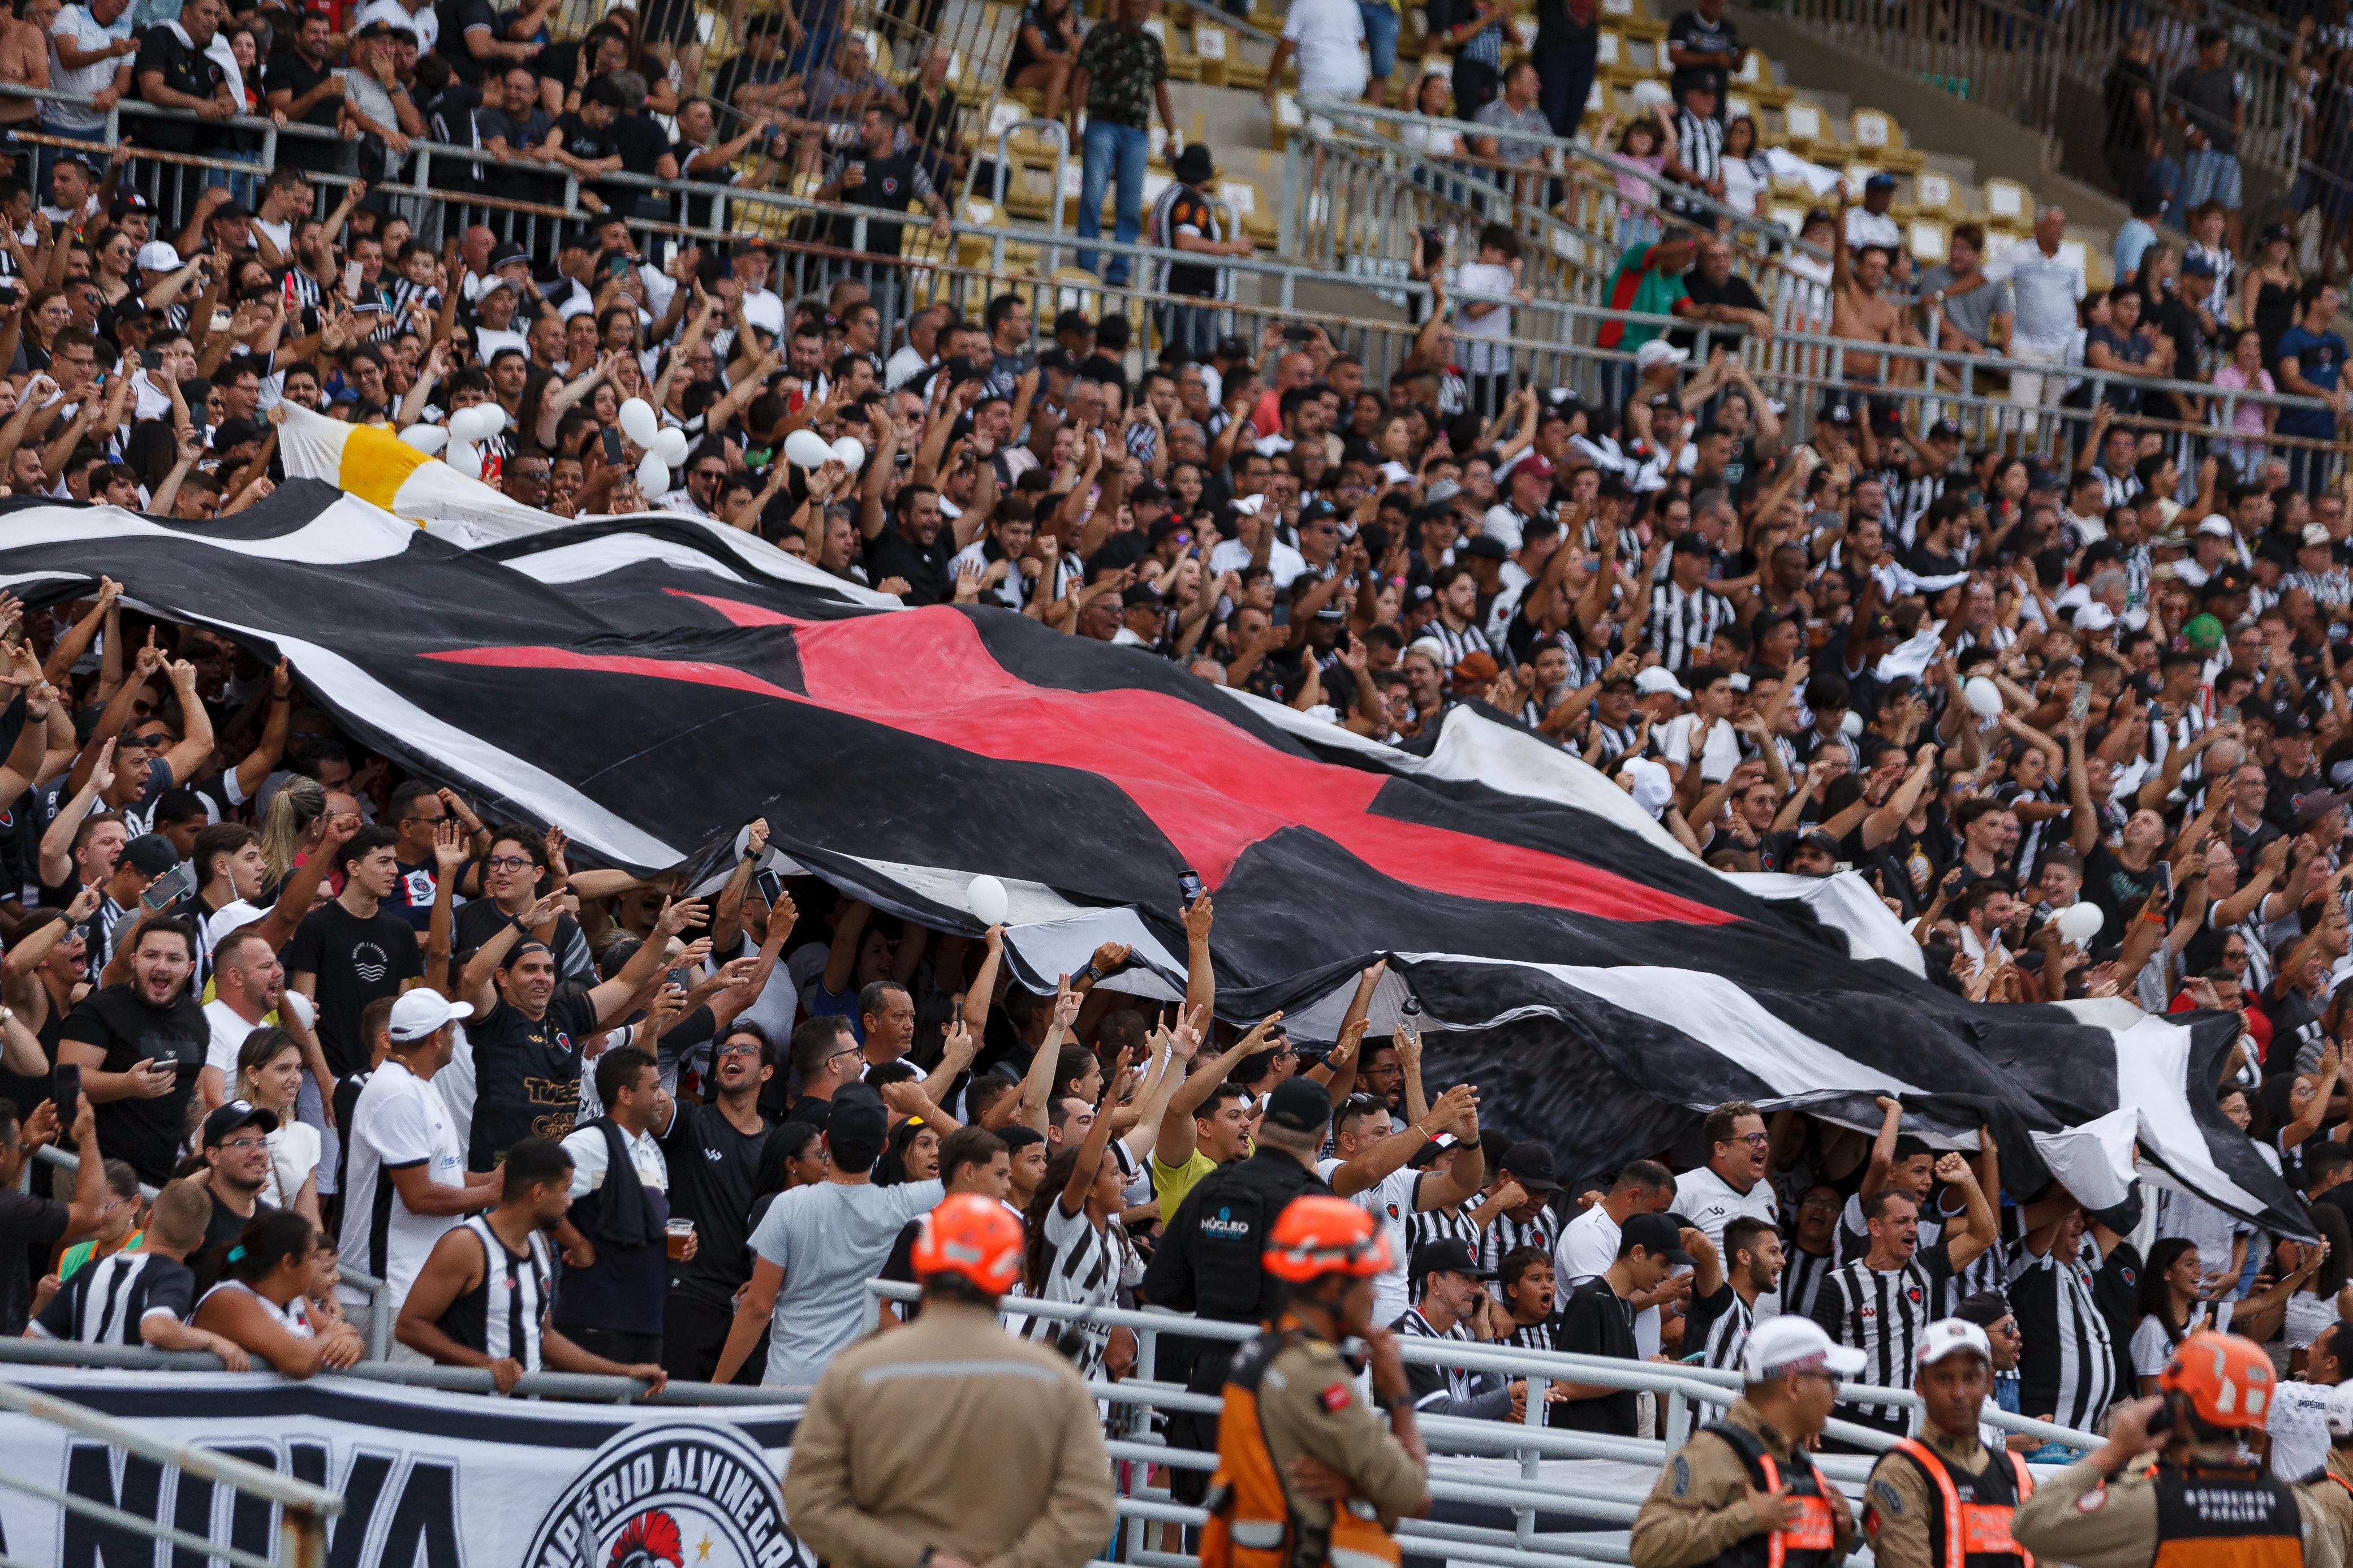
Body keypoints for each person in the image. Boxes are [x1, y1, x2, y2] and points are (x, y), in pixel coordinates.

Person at [784, 1194, 1117, 1568]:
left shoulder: (856, 1371)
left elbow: (808, 1502)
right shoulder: (1055, 1381)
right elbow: (1089, 1511)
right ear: (1011, 1274)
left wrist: (918, 1559)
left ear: (923, 1265)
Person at [1201, 1195, 1431, 1568]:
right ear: (1332, 1288)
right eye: (1368, 1279)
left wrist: (1356, 1483)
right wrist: (1400, 1395)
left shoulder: (1265, 1347)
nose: (1374, 1294)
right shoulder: (1313, 1373)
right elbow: (1414, 1494)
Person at [1139, 1076, 1336, 1501]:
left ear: (1262, 1128)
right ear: (1321, 1139)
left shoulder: (1211, 1187)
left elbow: (1161, 1287)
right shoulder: (1323, 1208)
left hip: (1210, 1389)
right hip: (1287, 1399)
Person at [2010, 1332, 2342, 1568]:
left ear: (2178, 1410)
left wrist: (2113, 1453)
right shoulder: (2300, 1509)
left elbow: (2031, 1524)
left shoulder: (2152, 1506)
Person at [712, 1082, 946, 1386]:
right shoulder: (902, 1204)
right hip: (856, 1386)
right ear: (884, 1148)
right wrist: (923, 1106)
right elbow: (984, 1156)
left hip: (789, 1383)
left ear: (825, 1141)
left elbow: (757, 1308)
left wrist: (715, 1388)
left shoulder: (788, 1206)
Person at [395, 1134, 669, 1393]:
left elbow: (544, 1337)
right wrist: (485, 1364)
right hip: (471, 1419)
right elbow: (409, 1326)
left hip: (523, 1418)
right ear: (538, 1193)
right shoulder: (466, 1244)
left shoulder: (538, 1246)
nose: (569, 1202)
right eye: (565, 1191)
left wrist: (624, 1371)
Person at [1628, 1315, 1862, 1568]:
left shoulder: (1796, 1458)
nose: (1836, 1394)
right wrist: (1748, 1517)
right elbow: (1647, 1546)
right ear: (1794, 1386)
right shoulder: (1715, 1452)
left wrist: (1840, 1533)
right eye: (1831, 1381)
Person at [337, 989, 499, 1353]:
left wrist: (502, 1180)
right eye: (452, 1029)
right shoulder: (397, 1092)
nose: (456, 1037)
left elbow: (448, 1180)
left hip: (411, 1292)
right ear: (435, 1037)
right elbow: (420, 1195)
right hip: (385, 1294)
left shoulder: (418, 1086)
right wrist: (494, 1193)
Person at [1861, 1319, 2036, 1568]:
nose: (1959, 1393)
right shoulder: (1900, 1473)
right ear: (1920, 1386)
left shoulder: (2019, 1476)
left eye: (1971, 1377)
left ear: (1988, 1383)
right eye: (1944, 1379)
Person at [550, 1045, 679, 1366]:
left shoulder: (649, 1151)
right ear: (626, 1094)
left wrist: (676, 1242)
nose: (662, 1097)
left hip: (646, 1325)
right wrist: (578, 1244)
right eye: (653, 1087)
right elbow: (540, 1202)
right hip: (597, 1324)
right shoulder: (588, 1143)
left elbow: (644, 1226)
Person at [31, 1176, 247, 1362]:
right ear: (197, 1244)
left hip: (79, 1401)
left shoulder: (91, 1268)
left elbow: (32, 1338)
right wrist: (214, 1341)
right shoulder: (175, 1275)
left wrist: (78, 1371)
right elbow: (156, 1328)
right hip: (128, 1404)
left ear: (148, 1219)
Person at [58, 915, 205, 1189]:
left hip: (156, 1181)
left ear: (190, 968)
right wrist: (126, 1084)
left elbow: (192, 1092)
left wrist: (197, 1152)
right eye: (152, 955)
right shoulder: (100, 1010)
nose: (162, 966)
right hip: (90, 1171)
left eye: (174, 959)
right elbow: (65, 1084)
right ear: (135, 960)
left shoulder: (196, 1019)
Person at [1068, 0, 1173, 287]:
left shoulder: (1152, 44)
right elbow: (1080, 78)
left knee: (1130, 204)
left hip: (1137, 132)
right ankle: (1087, 266)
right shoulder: (1101, 35)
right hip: (1101, 124)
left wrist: (1172, 134)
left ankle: (1119, 270)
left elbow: (1161, 89)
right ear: (1123, 6)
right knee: (1092, 195)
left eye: (1145, 6)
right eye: (1137, 4)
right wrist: (1074, 124)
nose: (1142, 10)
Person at [192, 1208, 366, 1377]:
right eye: (313, 1258)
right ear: (288, 1262)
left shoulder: (296, 1299)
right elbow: (299, 1362)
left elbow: (350, 1334)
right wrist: (333, 1337)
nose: (317, 1268)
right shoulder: (230, 1299)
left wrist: (350, 1344)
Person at [0, 1092, 106, 1334]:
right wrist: (88, 1135)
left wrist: (24, 1151)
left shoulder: (10, 1209)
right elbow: (93, 1213)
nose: (20, 1150)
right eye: (15, 1146)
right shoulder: (10, 1210)